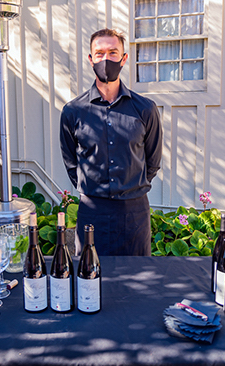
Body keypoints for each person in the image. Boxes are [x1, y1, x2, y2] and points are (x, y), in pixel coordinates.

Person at [60, 28, 162, 256]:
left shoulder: (145, 109)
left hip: (134, 212)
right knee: (90, 279)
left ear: (124, 58)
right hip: (91, 211)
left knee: (137, 279)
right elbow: (70, 161)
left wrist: (131, 185)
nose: (106, 59)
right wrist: (92, 188)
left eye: (113, 53)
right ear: (90, 59)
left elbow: (153, 161)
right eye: (99, 53)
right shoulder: (73, 111)